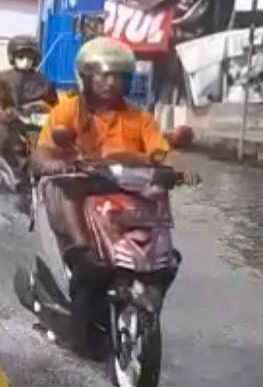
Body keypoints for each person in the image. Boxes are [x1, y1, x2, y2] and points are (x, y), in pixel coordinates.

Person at [31, 37, 174, 263]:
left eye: (117, 76)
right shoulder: (67, 112)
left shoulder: (141, 118)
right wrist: (55, 164)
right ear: (87, 78)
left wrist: (158, 162)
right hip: (86, 181)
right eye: (103, 75)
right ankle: (80, 248)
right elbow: (43, 151)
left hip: (128, 185)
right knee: (71, 191)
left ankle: (162, 245)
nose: (110, 82)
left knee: (160, 194)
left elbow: (160, 153)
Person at [0, 35, 59, 169]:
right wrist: (4, 113)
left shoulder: (44, 82)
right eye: (21, 57)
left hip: (39, 128)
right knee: (5, 131)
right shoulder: (1, 79)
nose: (25, 61)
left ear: (35, 59)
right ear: (12, 58)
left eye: (29, 57)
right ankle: (9, 166)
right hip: (13, 126)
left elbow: (56, 107)